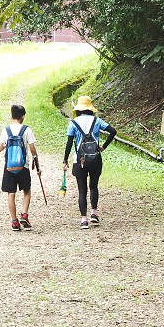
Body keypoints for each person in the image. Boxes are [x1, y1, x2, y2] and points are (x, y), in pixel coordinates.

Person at [62, 95, 117, 229]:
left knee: (82, 190)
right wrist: (103, 147)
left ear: (79, 109)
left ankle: (83, 220)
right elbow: (113, 131)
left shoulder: (73, 123)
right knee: (93, 186)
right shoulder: (97, 121)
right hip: (95, 158)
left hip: (79, 160)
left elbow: (69, 142)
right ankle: (94, 213)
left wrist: (65, 160)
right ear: (90, 108)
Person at [0, 104, 41, 231]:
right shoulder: (27, 130)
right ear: (23, 117)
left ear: (11, 116)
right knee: (26, 191)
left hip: (9, 167)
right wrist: (37, 165)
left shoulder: (6, 130)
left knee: (11, 193)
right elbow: (33, 149)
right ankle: (24, 214)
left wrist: (6, 145)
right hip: (24, 166)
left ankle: (14, 221)